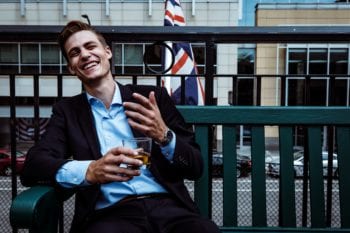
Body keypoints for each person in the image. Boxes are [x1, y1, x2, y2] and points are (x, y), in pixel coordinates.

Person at [20, 20, 220, 233]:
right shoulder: (68, 112)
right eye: (75, 53)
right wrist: (90, 170)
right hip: (111, 214)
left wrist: (165, 136)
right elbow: (34, 166)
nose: (85, 55)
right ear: (72, 68)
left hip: (169, 208)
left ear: (107, 52)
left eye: (90, 46)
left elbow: (195, 167)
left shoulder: (153, 98)